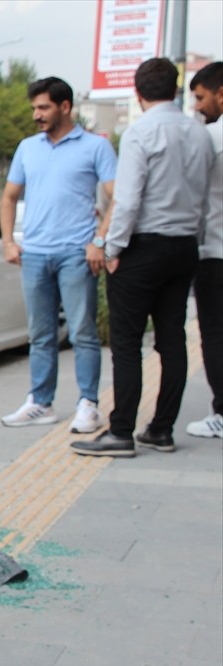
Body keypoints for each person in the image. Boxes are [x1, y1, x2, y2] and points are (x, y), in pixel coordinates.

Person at [73, 58, 215, 458]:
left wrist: (110, 248)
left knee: (127, 343)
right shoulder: (200, 134)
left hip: (143, 247)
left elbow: (129, 200)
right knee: (172, 339)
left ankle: (120, 432)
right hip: (185, 245)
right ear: (176, 88)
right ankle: (162, 429)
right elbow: (203, 198)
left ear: (138, 93)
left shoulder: (140, 133)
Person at [0, 77, 117, 433]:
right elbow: (8, 197)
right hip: (34, 253)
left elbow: (119, 195)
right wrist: (8, 241)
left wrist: (99, 240)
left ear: (65, 107)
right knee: (40, 334)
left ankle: (88, 405)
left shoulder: (95, 147)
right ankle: (40, 402)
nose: (36, 114)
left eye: (43, 107)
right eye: (34, 108)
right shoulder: (27, 148)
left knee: (82, 332)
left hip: (75, 254)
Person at [186, 61, 223, 438]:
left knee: (215, 334)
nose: (198, 106)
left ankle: (222, 413)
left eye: (201, 97)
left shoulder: (211, 138)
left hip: (215, 252)